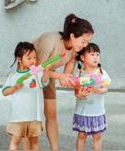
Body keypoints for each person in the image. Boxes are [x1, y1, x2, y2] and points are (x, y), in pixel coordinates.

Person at [33, 13, 94, 150]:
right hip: (31, 72)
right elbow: (38, 70)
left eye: (88, 43)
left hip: (49, 73)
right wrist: (60, 77)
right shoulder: (49, 40)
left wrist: (80, 85)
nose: (85, 46)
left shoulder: (74, 50)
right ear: (72, 36)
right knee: (31, 115)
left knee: (51, 113)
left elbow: (66, 78)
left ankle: (55, 149)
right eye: (83, 41)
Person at [2, 42, 51, 151]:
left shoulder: (36, 73)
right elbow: (4, 92)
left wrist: (47, 70)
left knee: (34, 142)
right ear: (19, 59)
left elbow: (44, 83)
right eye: (29, 58)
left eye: (34, 57)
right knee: (15, 141)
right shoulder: (13, 76)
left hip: (34, 116)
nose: (33, 60)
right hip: (18, 116)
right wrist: (14, 87)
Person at [73, 43, 111, 151]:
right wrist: (80, 94)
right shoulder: (79, 74)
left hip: (97, 111)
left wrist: (97, 90)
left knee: (97, 136)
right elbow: (76, 92)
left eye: (97, 54)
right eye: (92, 54)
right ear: (83, 57)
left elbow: (105, 88)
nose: (96, 57)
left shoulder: (102, 73)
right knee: (81, 135)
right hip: (82, 111)